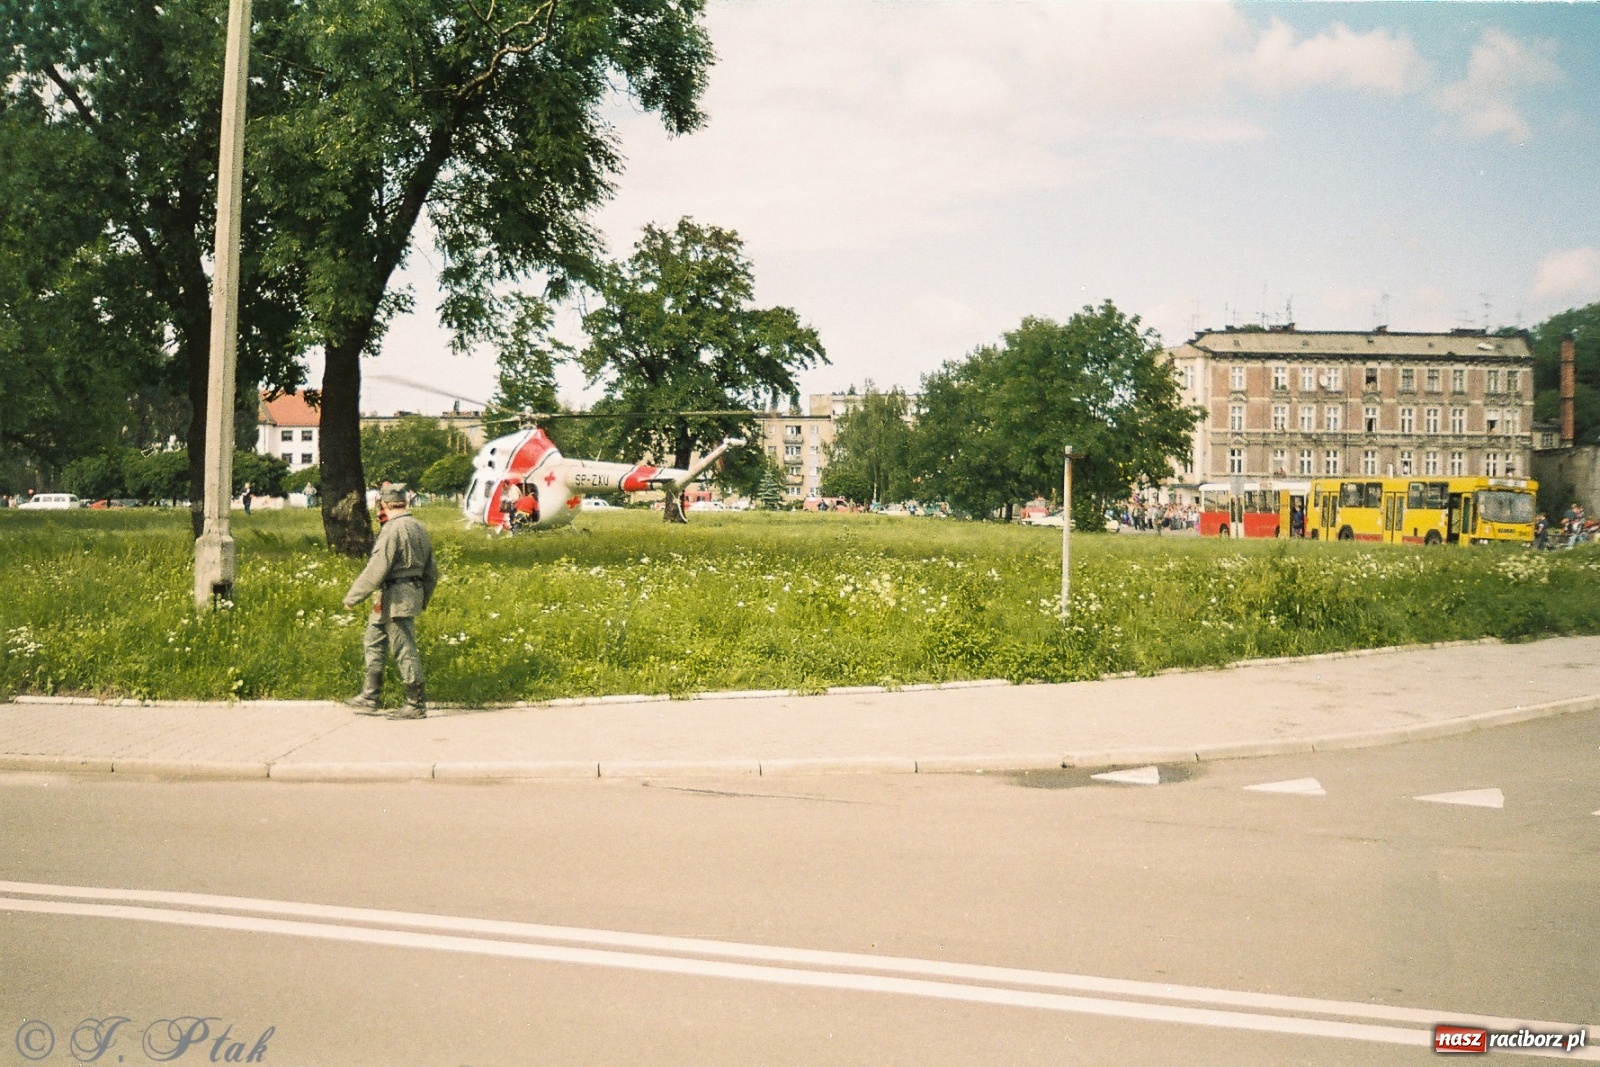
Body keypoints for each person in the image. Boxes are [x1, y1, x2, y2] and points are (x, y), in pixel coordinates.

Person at [343, 485, 439, 719]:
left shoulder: (392, 529)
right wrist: (422, 598)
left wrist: (353, 597)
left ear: (384, 505)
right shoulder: (419, 527)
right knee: (373, 639)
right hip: (397, 594)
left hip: (397, 596)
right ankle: (370, 695)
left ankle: (415, 704)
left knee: (404, 648)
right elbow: (432, 571)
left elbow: (377, 567)